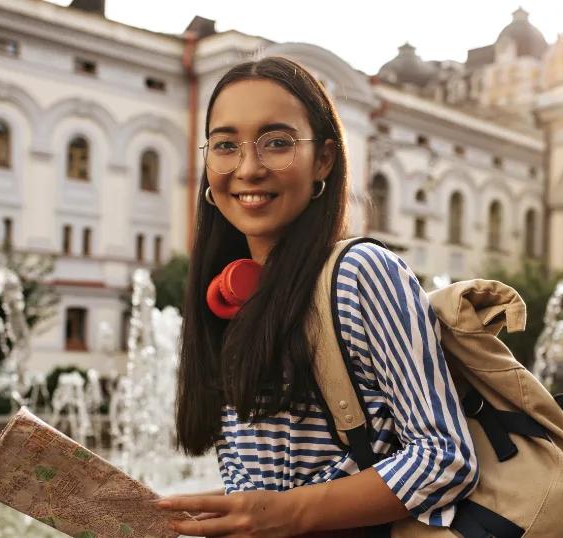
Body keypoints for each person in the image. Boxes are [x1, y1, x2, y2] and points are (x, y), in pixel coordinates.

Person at [157, 56, 478, 538]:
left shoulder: (361, 273)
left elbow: (445, 458)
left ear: (324, 159)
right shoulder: (231, 291)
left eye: (277, 143)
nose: (247, 167)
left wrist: (286, 513)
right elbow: (269, 486)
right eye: (225, 145)